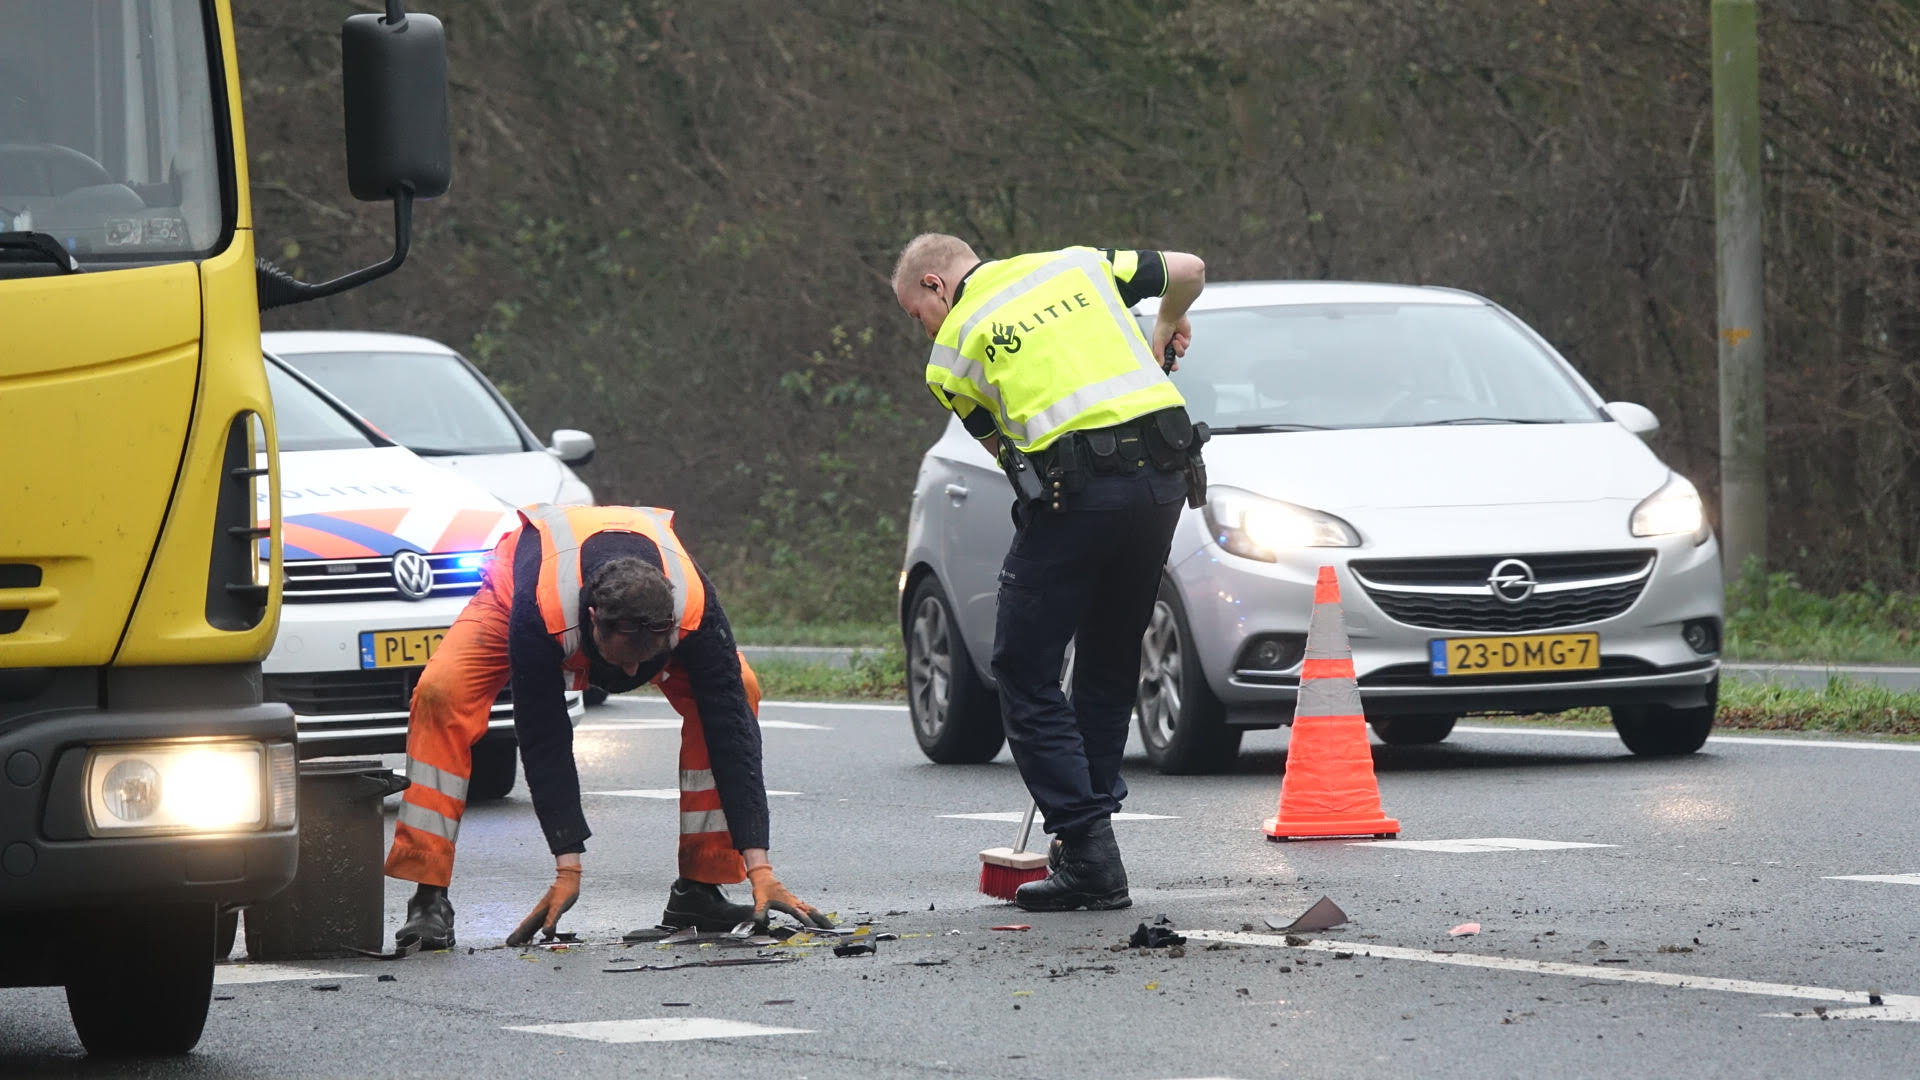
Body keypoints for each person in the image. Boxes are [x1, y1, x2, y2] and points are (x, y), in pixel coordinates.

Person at [892, 234, 1207, 912]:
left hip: (1079, 492)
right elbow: (1189, 269)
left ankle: (1087, 848)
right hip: (1165, 479)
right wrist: (1162, 323)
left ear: (932, 287)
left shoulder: (952, 353)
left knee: (1024, 669)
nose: (924, 328)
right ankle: (1088, 845)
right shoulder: (1076, 264)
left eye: (916, 314)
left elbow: (1008, 452)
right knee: (1107, 657)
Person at [382, 503, 832, 948]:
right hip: (514, 591)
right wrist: (568, 869)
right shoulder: (542, 612)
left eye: (646, 659)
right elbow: (545, 739)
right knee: (441, 692)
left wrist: (762, 869)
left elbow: (731, 734)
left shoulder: (695, 610)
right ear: (594, 620)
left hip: (628, 607)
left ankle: (701, 888)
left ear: (671, 626)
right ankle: (428, 898)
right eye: (624, 658)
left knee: (743, 689)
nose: (633, 671)